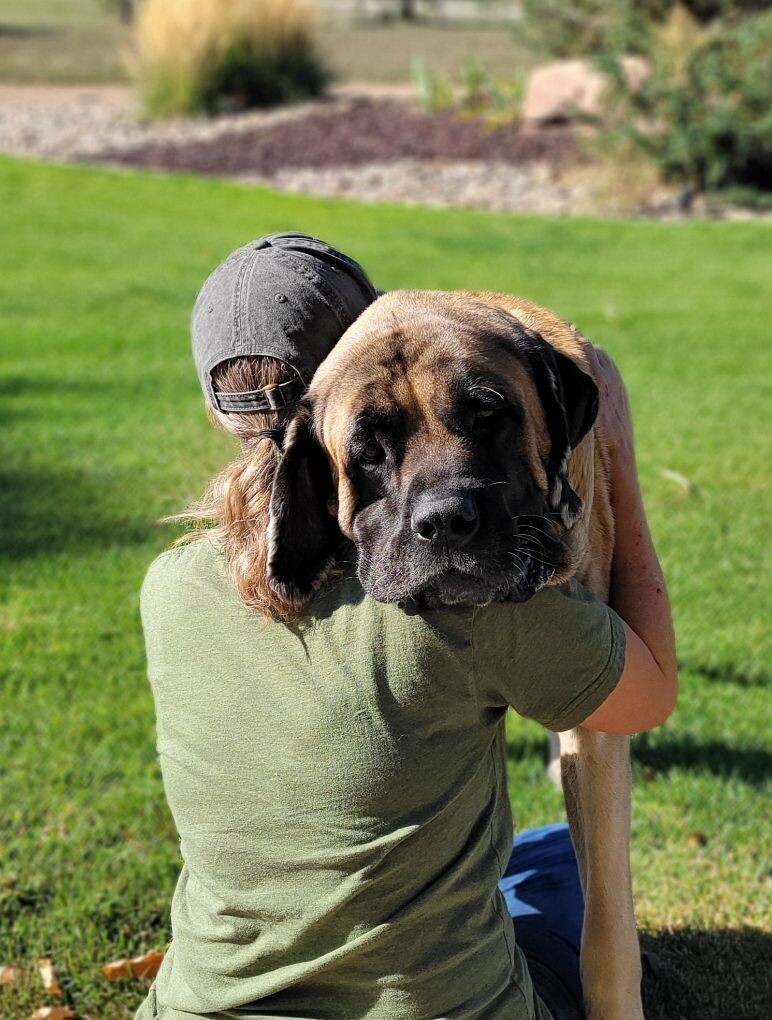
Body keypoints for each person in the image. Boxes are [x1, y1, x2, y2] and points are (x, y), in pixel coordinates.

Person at [136, 233, 676, 1020]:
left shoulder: (169, 586)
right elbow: (648, 696)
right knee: (555, 867)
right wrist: (616, 460)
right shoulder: (479, 612)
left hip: (200, 1007)